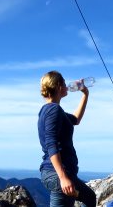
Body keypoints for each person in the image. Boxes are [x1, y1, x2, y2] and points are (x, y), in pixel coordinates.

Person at [38, 71, 96, 207]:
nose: (67, 85)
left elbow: (76, 119)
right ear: (59, 86)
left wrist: (85, 94)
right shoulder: (54, 110)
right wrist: (63, 178)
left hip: (54, 173)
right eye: (64, 83)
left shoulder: (50, 110)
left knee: (89, 198)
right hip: (58, 174)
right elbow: (51, 144)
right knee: (89, 198)